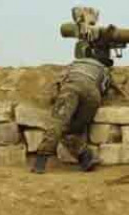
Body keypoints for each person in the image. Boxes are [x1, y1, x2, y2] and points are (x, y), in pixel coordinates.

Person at [32, 41, 111, 174]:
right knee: (74, 129)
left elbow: (59, 83)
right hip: (93, 96)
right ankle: (86, 157)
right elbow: (104, 89)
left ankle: (40, 162)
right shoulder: (104, 69)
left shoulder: (74, 64)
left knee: (58, 124)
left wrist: (54, 99)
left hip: (72, 88)